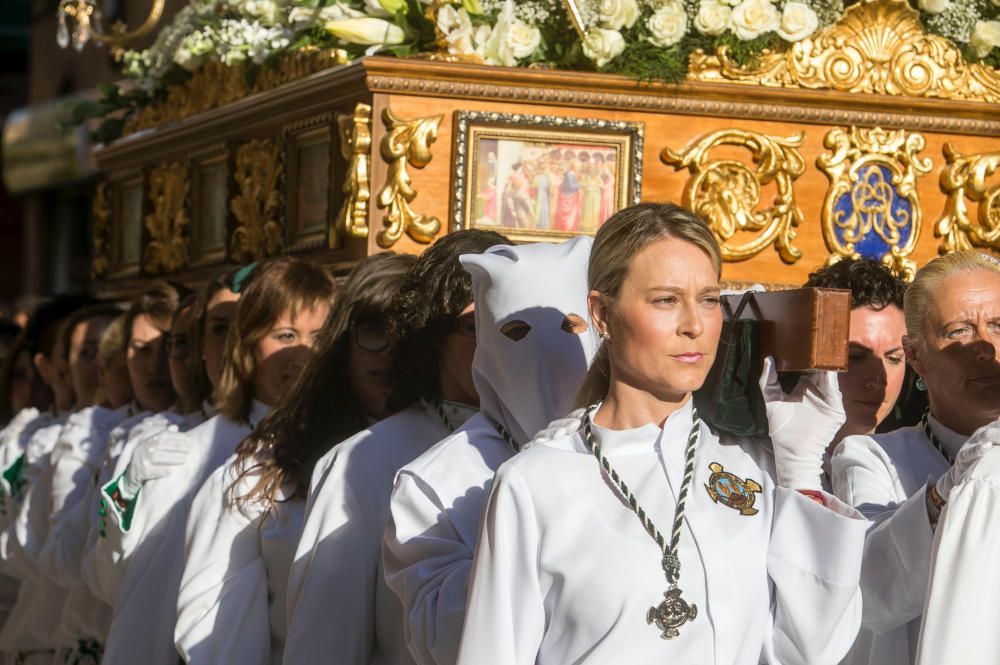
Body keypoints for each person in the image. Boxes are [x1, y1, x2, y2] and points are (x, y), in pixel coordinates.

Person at [455, 203, 867, 665]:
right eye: (666, 300)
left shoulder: (748, 466)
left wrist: (802, 469)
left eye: (709, 299)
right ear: (602, 314)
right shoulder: (534, 483)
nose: (694, 324)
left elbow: (812, 650)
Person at [176, 252, 415, 664]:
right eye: (373, 330)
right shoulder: (259, 472)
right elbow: (218, 639)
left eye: (409, 334)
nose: (390, 352)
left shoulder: (465, 457)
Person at [283, 231, 509, 665]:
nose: (492, 340)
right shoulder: (364, 460)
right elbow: (324, 642)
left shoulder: (561, 446)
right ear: (435, 334)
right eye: (472, 324)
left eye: (506, 321)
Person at [99, 257, 335, 665]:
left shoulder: (348, 447)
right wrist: (129, 489)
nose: (303, 353)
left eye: (319, 336)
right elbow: (115, 584)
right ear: (245, 347)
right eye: (285, 335)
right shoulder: (184, 455)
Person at [382, 235, 598, 665]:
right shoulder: (432, 484)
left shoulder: (638, 447)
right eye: (517, 333)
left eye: (570, 326)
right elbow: (440, 638)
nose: (547, 353)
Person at [831, 250, 1000, 665]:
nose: (986, 346)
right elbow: (870, 591)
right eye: (959, 330)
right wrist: (954, 486)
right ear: (917, 357)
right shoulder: (873, 458)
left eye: (999, 325)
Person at [804, 259, 907, 475]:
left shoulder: (920, 473)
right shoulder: (758, 468)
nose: (878, 379)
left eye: (894, 358)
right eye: (856, 357)